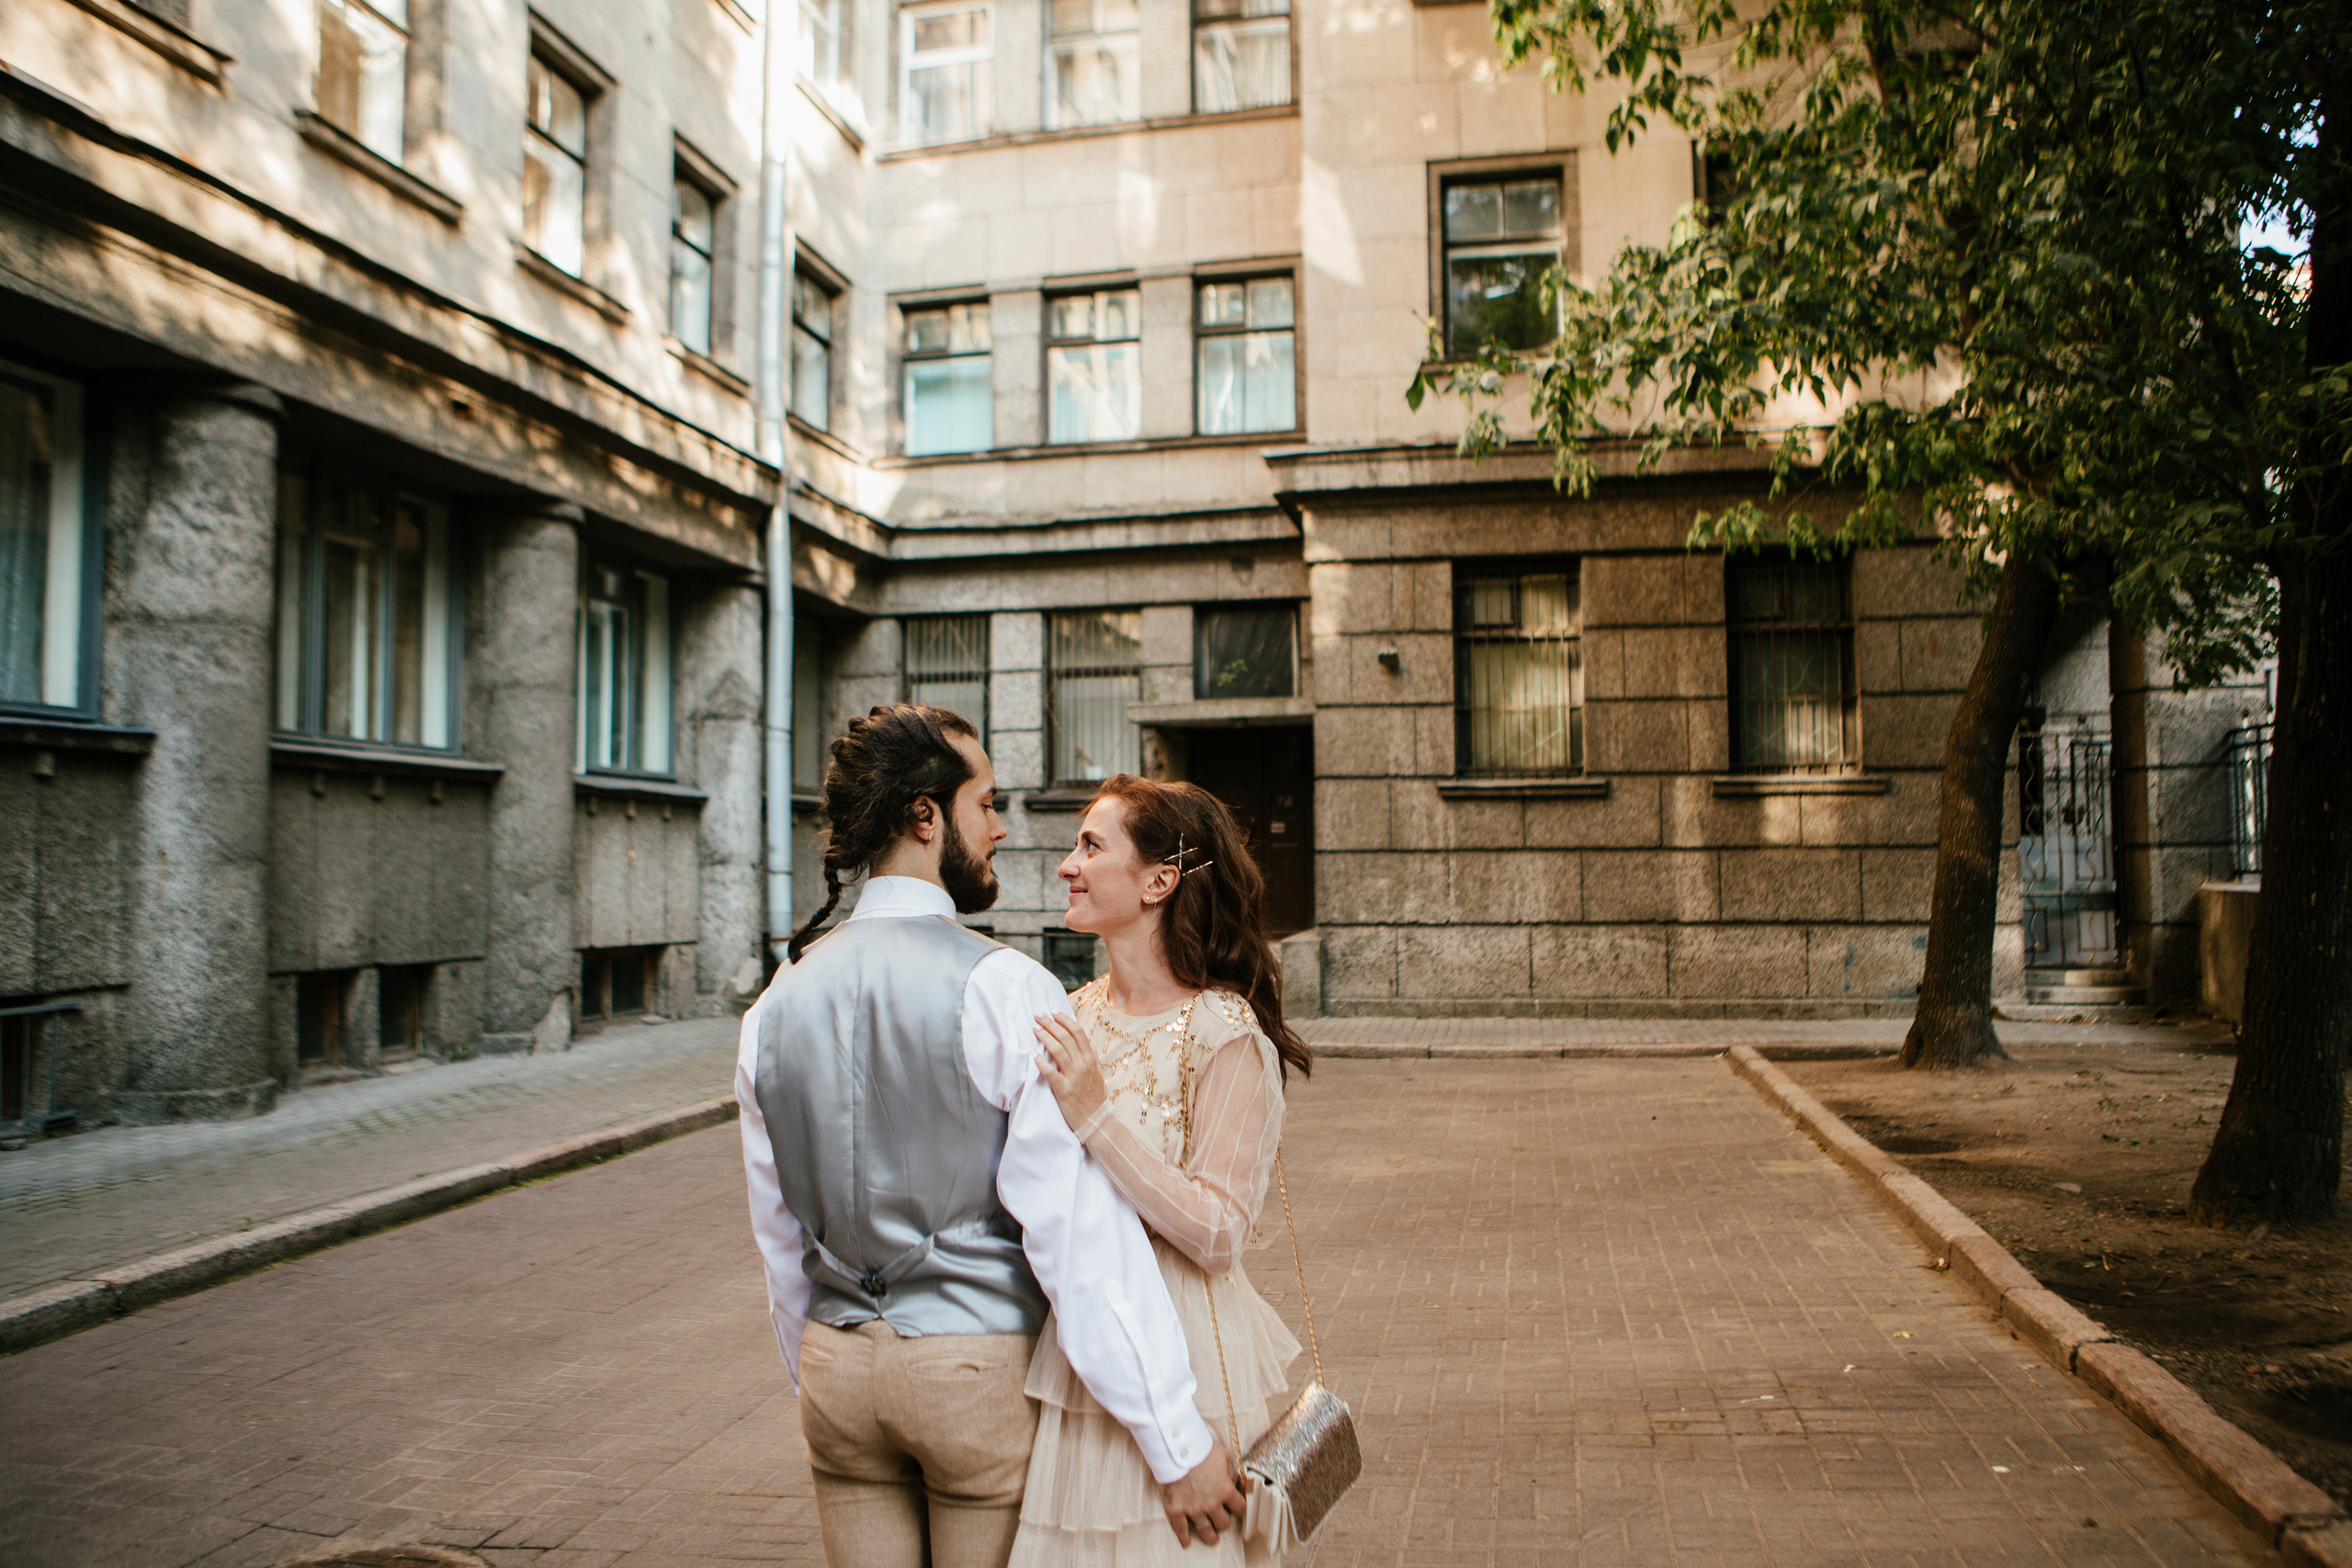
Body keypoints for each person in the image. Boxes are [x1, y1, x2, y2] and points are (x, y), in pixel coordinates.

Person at [737, 705, 1248, 1568]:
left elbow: (778, 1235)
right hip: (971, 1378)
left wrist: (818, 1371)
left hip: (835, 1373)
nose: (1002, 826)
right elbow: (1075, 1235)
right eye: (986, 803)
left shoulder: (773, 1001)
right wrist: (1176, 1440)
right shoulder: (1010, 987)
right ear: (924, 817)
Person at [1010, 774, 1316, 1566]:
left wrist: (1094, 1116)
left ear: (1158, 880)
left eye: (1090, 845)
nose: (1066, 865)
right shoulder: (1069, 1015)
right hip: (1083, 1343)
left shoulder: (1223, 1029)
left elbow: (1219, 1230)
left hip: (1186, 1348)